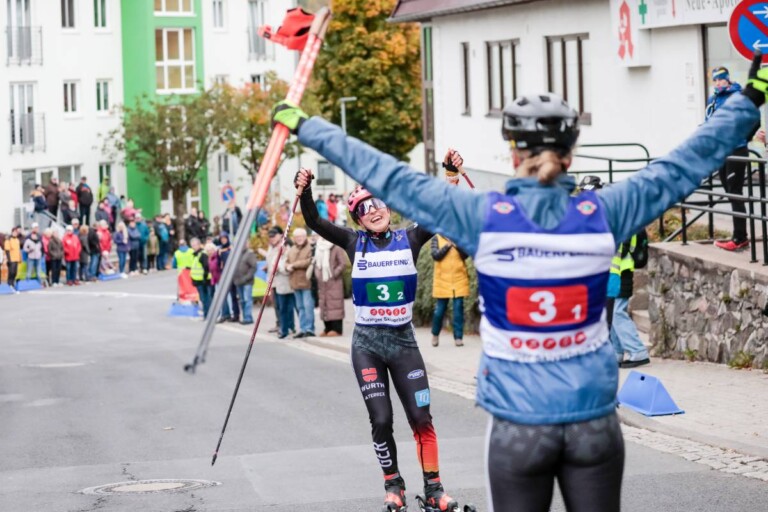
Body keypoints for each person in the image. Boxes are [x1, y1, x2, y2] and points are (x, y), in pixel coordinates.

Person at [273, 55, 767, 511]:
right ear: (571, 153)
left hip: (517, 427)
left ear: (512, 154)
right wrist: (749, 102)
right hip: (592, 424)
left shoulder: (483, 216)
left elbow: (389, 175)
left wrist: (306, 126)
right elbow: (682, 166)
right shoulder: (607, 210)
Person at [293, 168, 457, 512]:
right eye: (365, 209)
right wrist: (305, 190)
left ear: (389, 208)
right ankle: (393, 485)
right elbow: (314, 222)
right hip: (367, 345)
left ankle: (434, 489)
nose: (374, 210)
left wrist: (451, 176)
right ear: (358, 219)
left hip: (403, 344)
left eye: (378, 204)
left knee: (421, 417)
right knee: (381, 419)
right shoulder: (354, 242)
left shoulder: (410, 239)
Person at [707, 66, 751, 251]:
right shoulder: (714, 98)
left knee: (735, 192)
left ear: (728, 79)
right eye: (715, 80)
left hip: (736, 150)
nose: (718, 82)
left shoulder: (737, 95)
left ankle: (740, 237)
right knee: (729, 192)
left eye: (721, 79)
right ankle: (739, 234)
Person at [430, 149, 471, 348]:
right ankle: (435, 334)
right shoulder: (437, 236)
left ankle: (458, 337)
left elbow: (466, 255)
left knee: (458, 310)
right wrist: (449, 246)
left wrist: (458, 245)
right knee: (439, 311)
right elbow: (435, 255)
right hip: (442, 280)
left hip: (459, 279)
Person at [313, 236, 347, 336]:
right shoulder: (318, 246)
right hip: (322, 281)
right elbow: (316, 263)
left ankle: (337, 329)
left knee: (335, 304)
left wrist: (333, 274)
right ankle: (327, 328)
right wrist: (318, 274)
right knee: (324, 303)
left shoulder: (336, 246)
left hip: (334, 281)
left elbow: (342, 263)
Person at [285, 227, 315, 338]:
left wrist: (294, 265)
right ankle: (302, 329)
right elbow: (286, 262)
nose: (299, 239)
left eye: (301, 236)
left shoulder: (310, 247)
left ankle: (310, 329)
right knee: (300, 307)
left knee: (308, 306)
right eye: (297, 237)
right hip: (295, 283)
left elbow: (309, 261)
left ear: (305, 236)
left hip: (306, 282)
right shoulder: (292, 249)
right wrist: (287, 266)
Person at [215, 232, 241, 323]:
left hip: (233, 274)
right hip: (224, 275)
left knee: (234, 295)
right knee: (226, 295)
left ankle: (236, 314)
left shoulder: (231, 248)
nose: (223, 240)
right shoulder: (219, 250)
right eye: (222, 239)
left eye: (224, 239)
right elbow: (218, 263)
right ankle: (228, 314)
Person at [233, 244, 259, 325]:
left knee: (247, 300)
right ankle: (246, 317)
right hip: (238, 281)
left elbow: (254, 267)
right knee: (242, 300)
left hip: (247, 282)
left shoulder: (249, 254)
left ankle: (247, 318)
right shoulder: (236, 254)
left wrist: (247, 277)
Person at [190, 237, 213, 318]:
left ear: (199, 245)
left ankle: (208, 314)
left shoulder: (202, 254)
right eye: (192, 245)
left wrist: (204, 278)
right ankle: (206, 314)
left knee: (205, 298)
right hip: (199, 281)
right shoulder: (195, 255)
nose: (193, 247)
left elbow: (206, 267)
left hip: (204, 280)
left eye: (194, 245)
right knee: (203, 299)